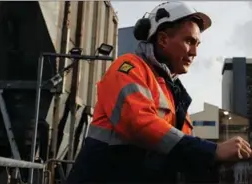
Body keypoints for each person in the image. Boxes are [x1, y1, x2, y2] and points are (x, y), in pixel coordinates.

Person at [67, 1, 252, 183]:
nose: (195, 52)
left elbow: (180, 148)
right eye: (189, 41)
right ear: (163, 39)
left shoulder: (176, 95)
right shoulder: (128, 68)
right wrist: (213, 151)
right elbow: (138, 124)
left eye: (198, 44)